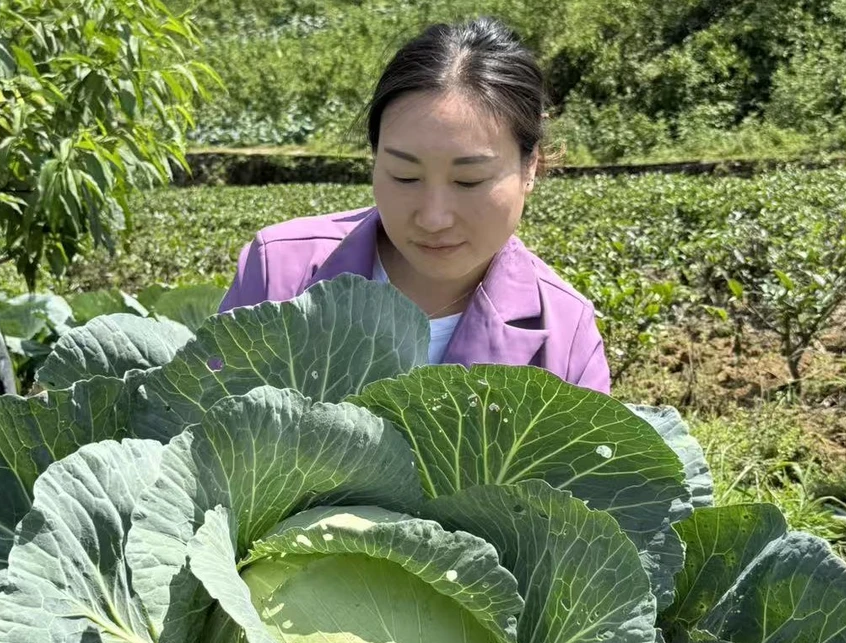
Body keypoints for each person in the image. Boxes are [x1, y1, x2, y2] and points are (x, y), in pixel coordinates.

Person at [218, 17, 610, 393]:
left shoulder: (566, 335)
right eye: (405, 176)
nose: (433, 218)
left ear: (531, 166)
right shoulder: (278, 272)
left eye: (469, 180)